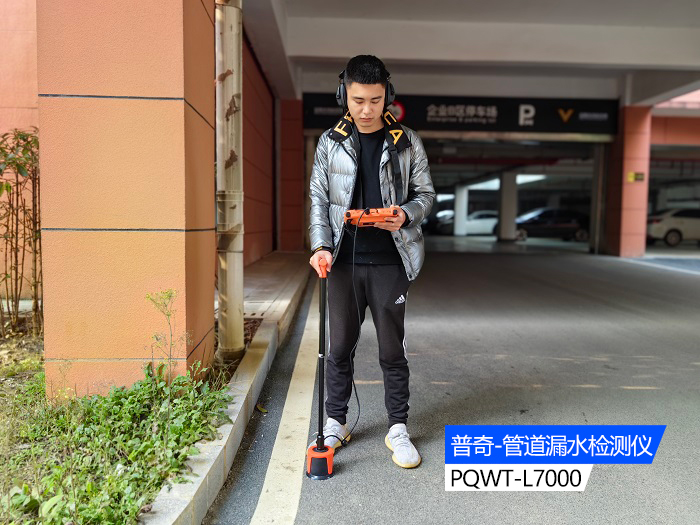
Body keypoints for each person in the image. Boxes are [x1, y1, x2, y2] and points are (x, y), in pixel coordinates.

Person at [308, 55, 435, 469]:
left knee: (391, 350)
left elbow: (426, 195)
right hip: (342, 263)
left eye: (375, 101)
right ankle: (336, 422)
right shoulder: (330, 142)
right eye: (358, 100)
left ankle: (397, 427)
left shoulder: (406, 141)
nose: (366, 110)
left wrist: (405, 215)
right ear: (343, 94)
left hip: (390, 263)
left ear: (388, 96)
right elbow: (319, 200)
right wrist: (320, 246)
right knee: (338, 347)